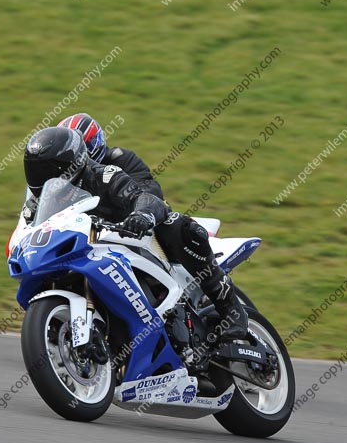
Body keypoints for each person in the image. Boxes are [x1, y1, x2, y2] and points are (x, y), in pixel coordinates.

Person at [22, 124, 247, 342]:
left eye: (50, 170)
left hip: (132, 232)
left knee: (177, 225)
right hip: (90, 243)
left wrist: (142, 215)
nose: (43, 177)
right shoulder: (38, 201)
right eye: (37, 171)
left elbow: (147, 195)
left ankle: (232, 310)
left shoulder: (104, 174)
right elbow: (28, 229)